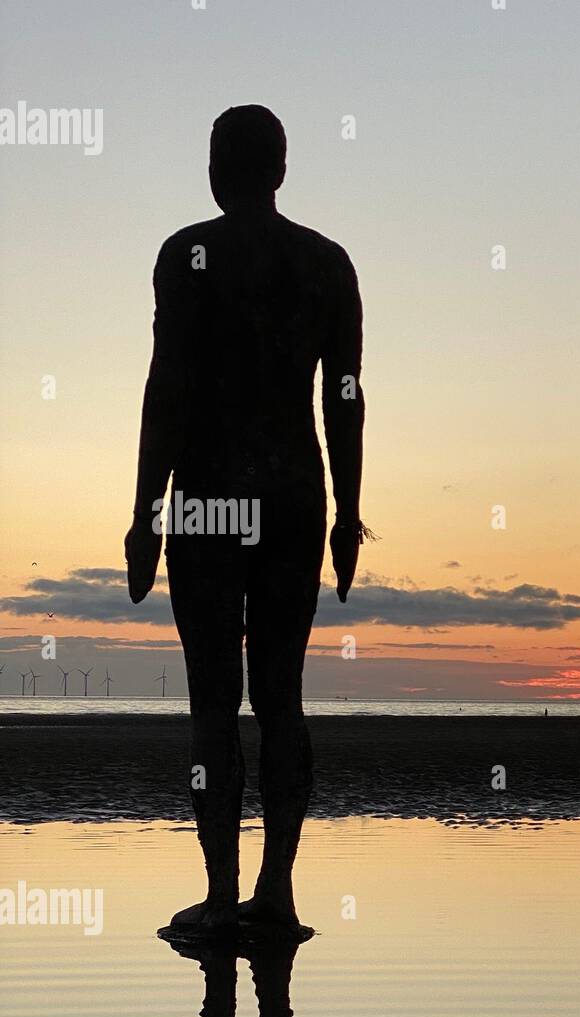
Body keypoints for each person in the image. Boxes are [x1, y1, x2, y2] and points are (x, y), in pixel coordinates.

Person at [125, 105, 366, 928]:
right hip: (297, 495)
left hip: (208, 500)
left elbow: (169, 389)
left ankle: (227, 891)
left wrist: (144, 509)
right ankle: (274, 891)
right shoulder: (327, 264)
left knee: (212, 703)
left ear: (223, 169)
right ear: (282, 170)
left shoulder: (188, 257)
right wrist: (348, 511)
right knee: (281, 698)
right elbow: (345, 398)